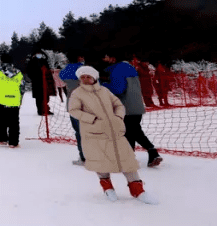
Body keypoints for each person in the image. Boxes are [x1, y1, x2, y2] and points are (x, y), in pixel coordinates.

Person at [67, 66, 157, 204]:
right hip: (94, 133)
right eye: (82, 77)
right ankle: (108, 188)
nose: (85, 79)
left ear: (94, 77)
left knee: (127, 161)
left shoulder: (105, 90)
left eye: (88, 76)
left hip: (115, 132)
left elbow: (119, 105)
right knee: (101, 162)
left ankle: (138, 190)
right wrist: (93, 120)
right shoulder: (77, 93)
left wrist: (118, 117)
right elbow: (73, 110)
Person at [101, 53, 163, 167]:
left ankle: (151, 152)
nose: (104, 59)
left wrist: (102, 85)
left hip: (125, 107)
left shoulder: (117, 69)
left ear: (113, 58)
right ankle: (133, 156)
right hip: (136, 105)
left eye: (105, 57)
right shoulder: (129, 67)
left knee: (132, 131)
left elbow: (118, 89)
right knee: (132, 131)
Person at [0, 53, 27, 148]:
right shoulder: (18, 72)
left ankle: (2, 139)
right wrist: (20, 99)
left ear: (1, 60)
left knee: (0, 121)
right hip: (14, 101)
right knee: (14, 122)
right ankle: (13, 142)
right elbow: (22, 87)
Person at [58, 55, 87, 165]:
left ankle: (84, 157)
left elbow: (61, 76)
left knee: (79, 132)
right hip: (89, 105)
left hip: (74, 104)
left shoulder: (67, 71)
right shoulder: (86, 69)